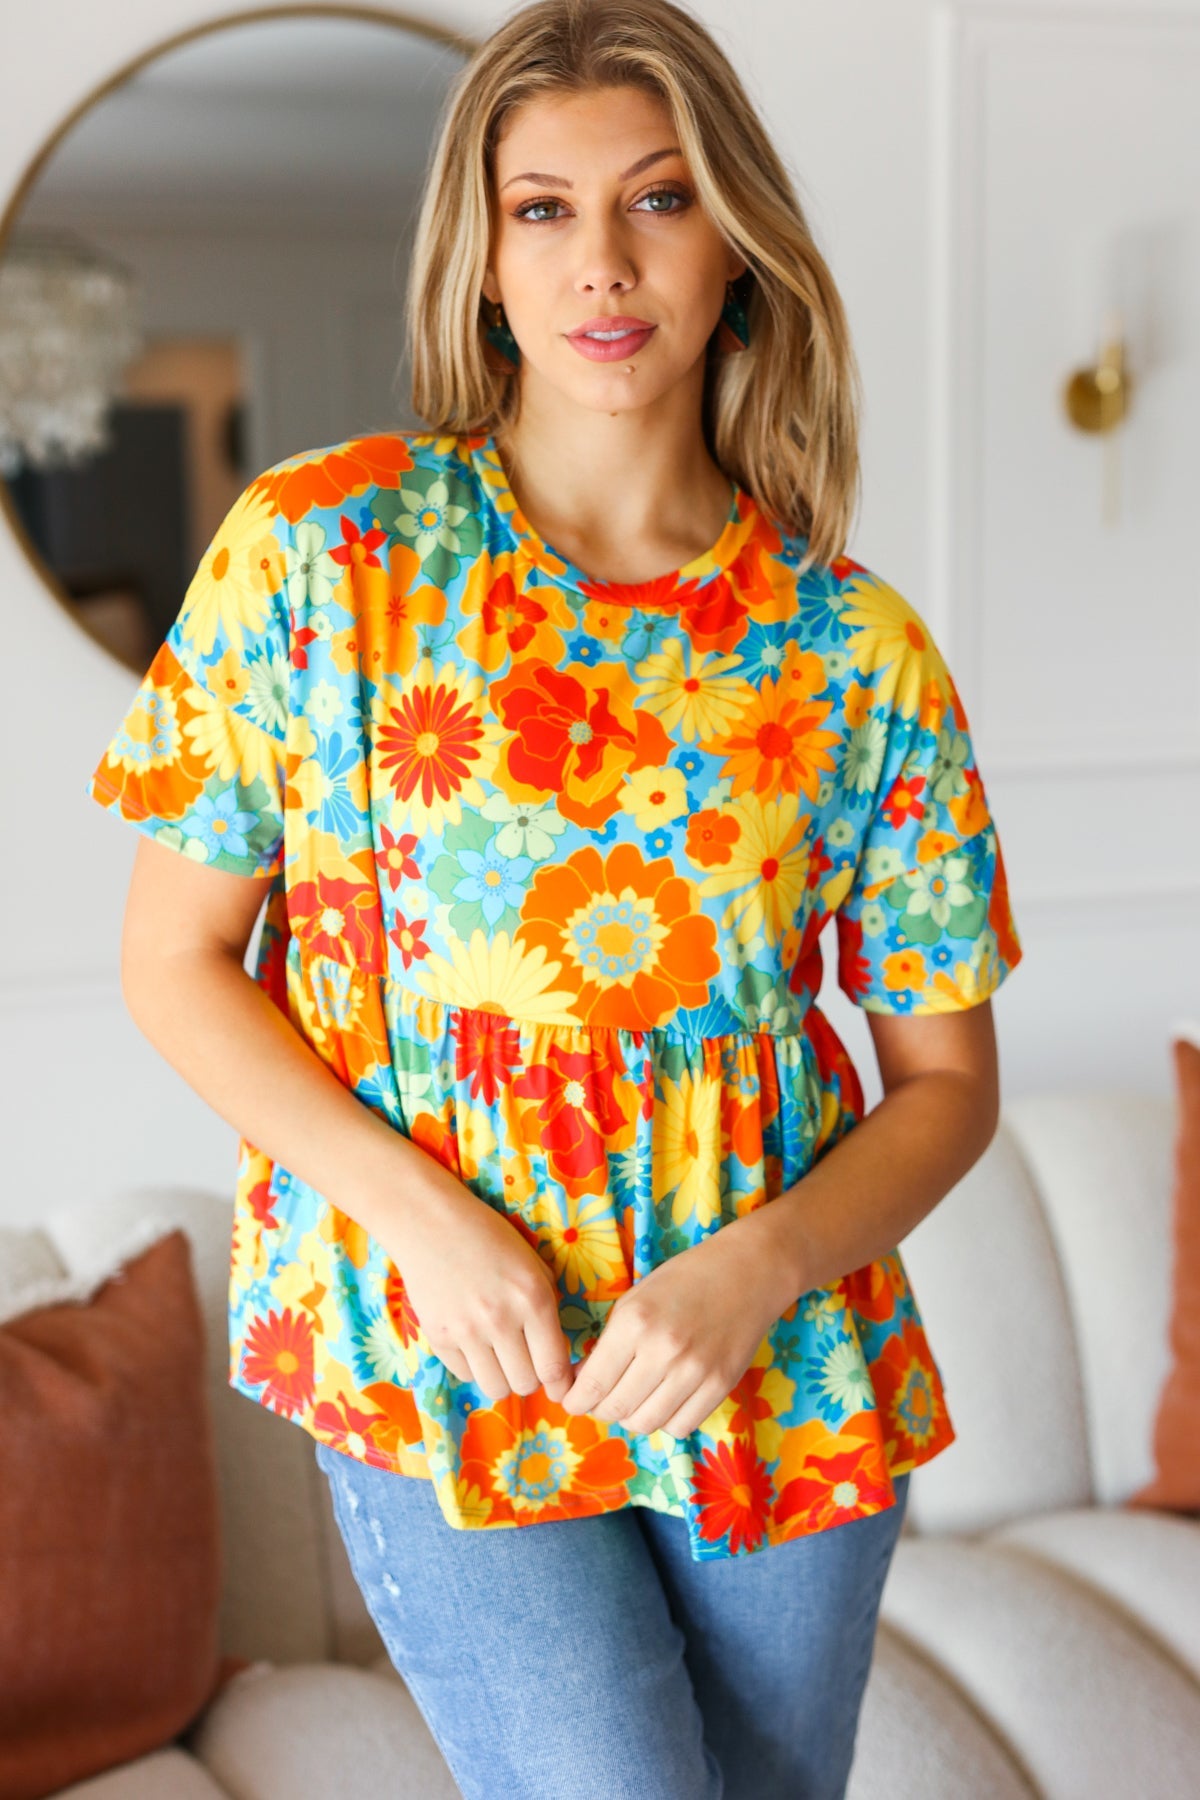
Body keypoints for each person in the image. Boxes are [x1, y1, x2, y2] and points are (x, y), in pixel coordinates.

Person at [84, 2, 1024, 1794]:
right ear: (487, 259)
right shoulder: (324, 553)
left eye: (658, 199)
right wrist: (420, 1222)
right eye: (544, 209)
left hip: (771, 1363)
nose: (603, 260)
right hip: (440, 1351)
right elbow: (175, 959)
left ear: (735, 246)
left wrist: (758, 1270)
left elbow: (948, 1083)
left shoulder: (855, 647)